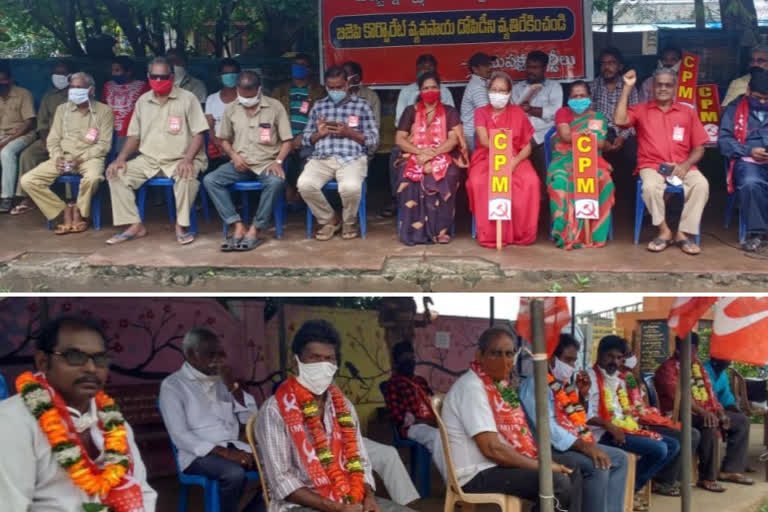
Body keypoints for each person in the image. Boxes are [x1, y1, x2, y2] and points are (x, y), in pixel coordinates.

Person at [256, 319, 417, 512]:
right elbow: (282, 481)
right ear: (296, 361)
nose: (323, 365)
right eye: (314, 358)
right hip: (300, 505)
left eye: (329, 359)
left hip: (350, 498)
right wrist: (336, 508)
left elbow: (361, 461)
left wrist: (369, 498)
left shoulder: (343, 406)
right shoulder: (275, 410)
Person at [0, 315, 157, 511]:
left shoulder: (115, 423)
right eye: (75, 357)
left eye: (100, 359)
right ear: (43, 362)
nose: (91, 368)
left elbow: (143, 491)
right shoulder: (11, 422)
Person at [441, 327, 573, 508]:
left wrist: (542, 464)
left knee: (573, 469)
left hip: (494, 465)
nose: (505, 361)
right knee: (557, 483)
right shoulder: (472, 388)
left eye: (509, 354)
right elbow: (492, 449)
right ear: (480, 356)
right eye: (496, 354)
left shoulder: (497, 385)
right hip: (475, 474)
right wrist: (541, 466)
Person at [105, 57, 209, 246]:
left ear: (171, 76)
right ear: (148, 76)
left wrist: (187, 159)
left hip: (181, 158)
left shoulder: (188, 98)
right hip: (149, 159)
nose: (159, 81)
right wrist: (120, 158)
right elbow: (134, 136)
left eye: (163, 77)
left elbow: (199, 134)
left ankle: (181, 225)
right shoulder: (143, 101)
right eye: (154, 77)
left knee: (187, 177)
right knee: (115, 174)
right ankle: (135, 225)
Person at [520, 334, 628, 512]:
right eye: (568, 360)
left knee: (620, 458)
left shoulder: (562, 385)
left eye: (574, 361)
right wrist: (585, 447)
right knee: (598, 466)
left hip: (571, 443)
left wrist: (583, 396)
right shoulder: (536, 385)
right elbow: (548, 428)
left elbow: (578, 419)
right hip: (547, 448)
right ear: (552, 359)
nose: (572, 366)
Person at [159, 327, 262, 512]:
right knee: (233, 474)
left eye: (220, 354)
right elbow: (180, 436)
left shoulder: (221, 380)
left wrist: (233, 387)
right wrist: (225, 453)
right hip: (197, 455)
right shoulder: (173, 386)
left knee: (277, 466)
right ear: (191, 354)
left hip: (234, 447)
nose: (217, 361)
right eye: (210, 355)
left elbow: (250, 418)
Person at [615, 68, 710, 255]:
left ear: (675, 88)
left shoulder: (687, 112)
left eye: (668, 85)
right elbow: (619, 120)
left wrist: (684, 165)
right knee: (650, 188)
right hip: (652, 165)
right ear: (652, 87)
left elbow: (699, 147)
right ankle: (664, 230)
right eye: (659, 84)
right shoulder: (641, 110)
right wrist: (627, 88)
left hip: (682, 165)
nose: (663, 88)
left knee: (701, 184)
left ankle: (683, 233)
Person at [586, 335, 679, 510]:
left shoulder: (622, 378)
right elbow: (584, 413)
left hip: (624, 426)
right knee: (659, 449)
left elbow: (630, 405)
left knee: (673, 445)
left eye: (619, 358)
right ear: (599, 354)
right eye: (610, 356)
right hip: (600, 433)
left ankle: (632, 487)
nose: (614, 362)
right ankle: (632, 488)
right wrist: (610, 426)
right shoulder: (587, 378)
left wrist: (634, 424)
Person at [204, 71, 292, 252]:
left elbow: (287, 140)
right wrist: (234, 156)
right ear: (237, 90)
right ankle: (236, 225)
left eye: (251, 96)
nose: (247, 100)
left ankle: (256, 228)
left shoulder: (275, 107)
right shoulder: (232, 108)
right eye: (243, 96)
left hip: (267, 163)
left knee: (276, 182)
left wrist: (279, 161)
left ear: (259, 90)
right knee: (210, 180)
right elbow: (224, 139)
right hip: (240, 163)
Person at [655, 333, 753, 490]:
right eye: (685, 349)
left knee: (741, 421)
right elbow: (679, 398)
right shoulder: (667, 369)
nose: (690, 353)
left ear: (696, 349)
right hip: (676, 414)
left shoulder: (698, 366)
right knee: (709, 423)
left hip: (703, 412)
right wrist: (704, 412)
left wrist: (720, 412)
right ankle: (707, 478)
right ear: (678, 349)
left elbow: (710, 394)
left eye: (693, 350)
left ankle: (730, 470)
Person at [21, 72, 114, 234]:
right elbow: (53, 139)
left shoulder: (104, 111)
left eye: (79, 87)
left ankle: (79, 212)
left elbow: (104, 145)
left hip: (90, 158)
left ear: (91, 90)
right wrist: (57, 157)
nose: (74, 91)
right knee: (28, 180)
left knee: (92, 178)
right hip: (63, 157)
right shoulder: (62, 110)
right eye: (72, 87)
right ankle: (62, 211)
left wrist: (81, 158)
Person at [299, 66, 378, 241]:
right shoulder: (319, 106)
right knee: (305, 184)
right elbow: (305, 139)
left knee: (350, 187)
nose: (335, 91)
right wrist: (319, 134)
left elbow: (374, 140)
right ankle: (330, 219)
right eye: (331, 87)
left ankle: (349, 222)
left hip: (352, 158)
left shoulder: (362, 106)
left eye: (339, 87)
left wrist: (349, 133)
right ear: (326, 86)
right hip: (322, 158)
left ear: (347, 84)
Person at [467, 71, 539, 248]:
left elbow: (528, 145)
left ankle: (520, 232)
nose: (497, 94)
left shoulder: (518, 113)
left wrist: (513, 162)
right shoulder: (481, 112)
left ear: (509, 93)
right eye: (494, 90)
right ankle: (491, 233)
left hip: (516, 157)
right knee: (479, 182)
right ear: (488, 91)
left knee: (530, 182)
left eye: (502, 91)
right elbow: (484, 140)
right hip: (487, 157)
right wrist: (501, 157)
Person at [617, 348, 699, 497]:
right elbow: (620, 411)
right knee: (684, 436)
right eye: (627, 356)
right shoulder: (612, 379)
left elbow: (640, 402)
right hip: (632, 426)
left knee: (691, 433)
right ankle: (662, 482)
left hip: (644, 418)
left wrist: (634, 373)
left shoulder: (629, 377)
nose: (631, 358)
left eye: (631, 355)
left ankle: (673, 479)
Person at [382, 54, 455, 218]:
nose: (425, 71)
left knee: (453, 164)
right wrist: (419, 148)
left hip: (440, 144)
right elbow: (400, 127)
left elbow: (452, 126)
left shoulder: (446, 93)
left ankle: (444, 210)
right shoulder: (406, 92)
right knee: (396, 154)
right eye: (422, 68)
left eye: (429, 68)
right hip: (412, 141)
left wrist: (433, 150)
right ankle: (396, 198)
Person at [394, 71, 461, 245]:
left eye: (433, 87)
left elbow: (454, 139)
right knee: (406, 176)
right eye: (426, 88)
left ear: (440, 89)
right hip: (414, 153)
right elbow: (400, 139)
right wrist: (419, 152)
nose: (430, 91)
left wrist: (433, 154)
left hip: (443, 154)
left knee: (449, 175)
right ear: (420, 91)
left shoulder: (450, 111)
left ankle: (441, 230)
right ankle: (414, 231)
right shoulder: (411, 111)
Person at [548, 80, 615, 249]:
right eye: (575, 96)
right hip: (563, 162)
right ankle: (563, 232)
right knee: (561, 181)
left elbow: (600, 143)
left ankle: (594, 234)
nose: (579, 99)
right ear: (568, 98)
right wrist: (583, 137)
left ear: (590, 97)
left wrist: (588, 139)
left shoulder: (597, 118)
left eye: (582, 96)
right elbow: (565, 136)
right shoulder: (562, 113)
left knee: (604, 180)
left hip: (590, 161)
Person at [13, 60, 75, 216]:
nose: (58, 77)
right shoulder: (49, 96)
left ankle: (70, 199)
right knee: (28, 155)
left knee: (67, 157)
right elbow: (41, 123)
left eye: (62, 74)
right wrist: (46, 141)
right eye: (55, 74)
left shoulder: (78, 95)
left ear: (70, 75)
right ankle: (27, 197)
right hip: (49, 139)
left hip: (71, 141)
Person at [718, 69, 768, 252]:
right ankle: (757, 233)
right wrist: (749, 150)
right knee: (750, 183)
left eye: (766, 99)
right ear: (748, 91)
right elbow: (723, 141)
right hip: (748, 160)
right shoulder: (734, 108)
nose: (762, 102)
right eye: (758, 97)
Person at [382, 341, 445, 478]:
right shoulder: (393, 384)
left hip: (431, 423)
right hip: (412, 428)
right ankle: (452, 481)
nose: (410, 362)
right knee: (438, 437)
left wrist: (437, 418)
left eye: (412, 359)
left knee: (454, 435)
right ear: (397, 362)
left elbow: (433, 403)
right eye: (405, 359)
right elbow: (397, 416)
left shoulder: (420, 381)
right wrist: (420, 420)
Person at [274, 53, 327, 205]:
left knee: (307, 159)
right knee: (281, 159)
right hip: (284, 138)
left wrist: (302, 137)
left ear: (310, 69)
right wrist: (287, 140)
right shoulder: (280, 90)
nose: (298, 68)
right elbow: (272, 118)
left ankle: (299, 193)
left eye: (303, 65)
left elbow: (322, 119)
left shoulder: (319, 91)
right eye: (296, 65)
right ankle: (290, 191)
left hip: (309, 138)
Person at [591, 48, 639, 190]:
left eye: (611, 63)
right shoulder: (593, 86)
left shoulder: (630, 87)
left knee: (633, 155)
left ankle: (631, 195)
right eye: (603, 63)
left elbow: (635, 116)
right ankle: (602, 192)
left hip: (626, 131)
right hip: (602, 130)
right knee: (594, 152)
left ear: (620, 66)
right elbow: (590, 115)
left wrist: (623, 137)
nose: (607, 67)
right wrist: (601, 136)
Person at [511, 50, 563, 176]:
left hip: (545, 133)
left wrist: (530, 109)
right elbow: (513, 113)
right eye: (528, 67)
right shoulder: (517, 88)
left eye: (535, 68)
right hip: (522, 133)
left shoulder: (554, 87)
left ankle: (546, 194)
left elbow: (555, 113)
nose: (530, 71)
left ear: (544, 68)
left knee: (546, 168)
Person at [0, 63, 36, 213]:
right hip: (2, 135)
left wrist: (6, 141)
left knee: (6, 152)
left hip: (23, 134)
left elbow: (29, 122)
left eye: (3, 80)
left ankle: (7, 197)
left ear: (10, 80)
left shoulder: (23, 94)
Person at [103, 55, 150, 154]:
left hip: (130, 134)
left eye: (117, 70)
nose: (113, 73)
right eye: (112, 70)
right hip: (108, 132)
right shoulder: (107, 85)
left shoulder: (143, 87)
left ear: (129, 72)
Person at [205, 58, 241, 168]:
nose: (229, 76)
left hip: (241, 149)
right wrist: (220, 145)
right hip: (218, 151)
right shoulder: (212, 99)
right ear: (219, 77)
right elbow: (209, 126)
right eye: (226, 73)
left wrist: (232, 150)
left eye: (233, 73)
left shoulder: (246, 98)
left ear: (239, 76)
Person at [461, 53, 494, 151]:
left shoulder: (482, 82)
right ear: (475, 69)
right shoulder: (477, 87)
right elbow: (486, 113)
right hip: (472, 135)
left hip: (477, 132)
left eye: (490, 64)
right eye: (485, 65)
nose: (490, 68)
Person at [343, 61, 381, 129]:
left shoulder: (371, 96)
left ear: (356, 78)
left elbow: (375, 125)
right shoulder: (337, 95)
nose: (342, 78)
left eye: (346, 75)